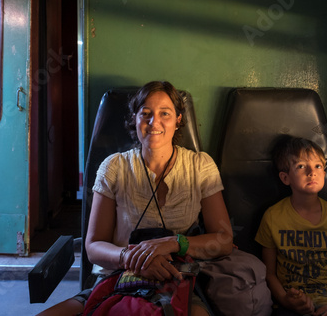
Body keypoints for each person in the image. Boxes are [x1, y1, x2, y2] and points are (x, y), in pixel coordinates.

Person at [37, 81, 234, 316]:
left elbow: (223, 239)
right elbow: (93, 246)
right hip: (117, 279)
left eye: (165, 114)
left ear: (178, 119)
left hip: (174, 281)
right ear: (135, 118)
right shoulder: (115, 167)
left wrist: (175, 243)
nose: (154, 122)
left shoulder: (200, 166)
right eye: (146, 114)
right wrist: (131, 257)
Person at [255, 136, 327, 316]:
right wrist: (285, 300)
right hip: (292, 306)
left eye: (318, 166)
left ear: (324, 173)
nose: (311, 172)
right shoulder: (272, 217)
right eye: (300, 166)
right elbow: (269, 274)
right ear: (285, 177)